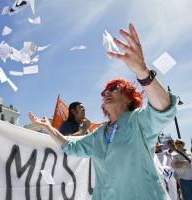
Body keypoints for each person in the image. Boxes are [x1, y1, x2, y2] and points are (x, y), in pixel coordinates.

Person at [28, 23, 177, 200]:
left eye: (114, 88)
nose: (107, 92)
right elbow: (71, 147)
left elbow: (163, 108)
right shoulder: (99, 134)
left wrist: (142, 72)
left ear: (130, 97)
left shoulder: (138, 121)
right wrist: (47, 127)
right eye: (104, 91)